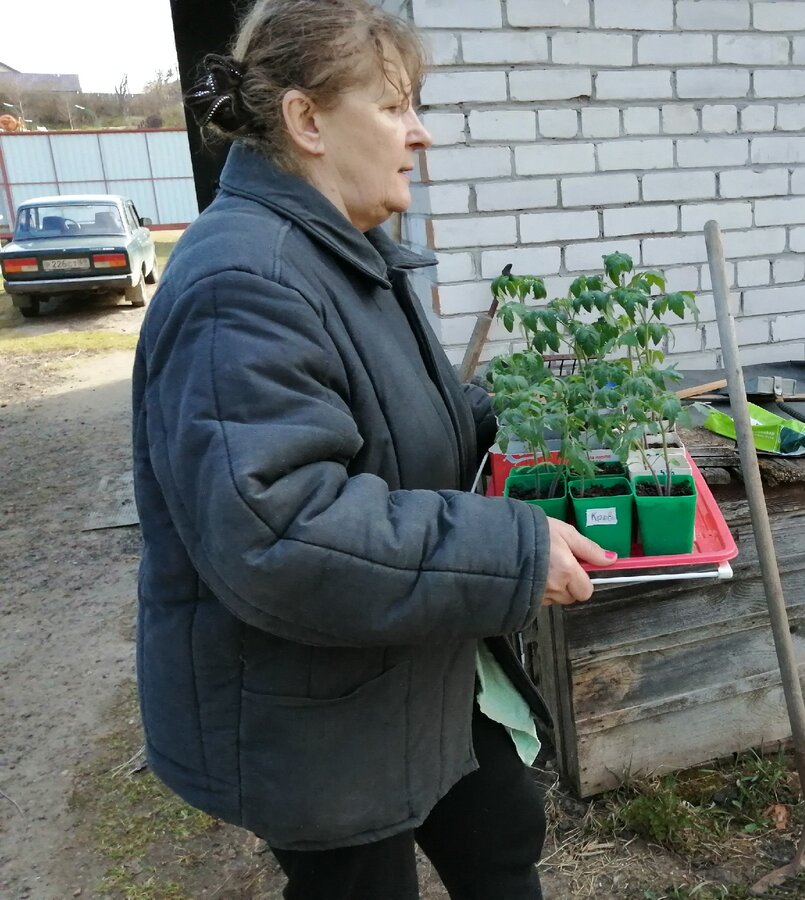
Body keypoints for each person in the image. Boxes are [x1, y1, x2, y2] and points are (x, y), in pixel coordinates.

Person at [131, 1, 614, 897]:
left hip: (407, 655)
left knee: (501, 836)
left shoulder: (341, 248)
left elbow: (380, 424)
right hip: (315, 704)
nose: (420, 134)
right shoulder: (246, 279)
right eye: (394, 107)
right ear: (306, 121)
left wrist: (519, 420)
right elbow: (279, 530)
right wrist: (507, 548)